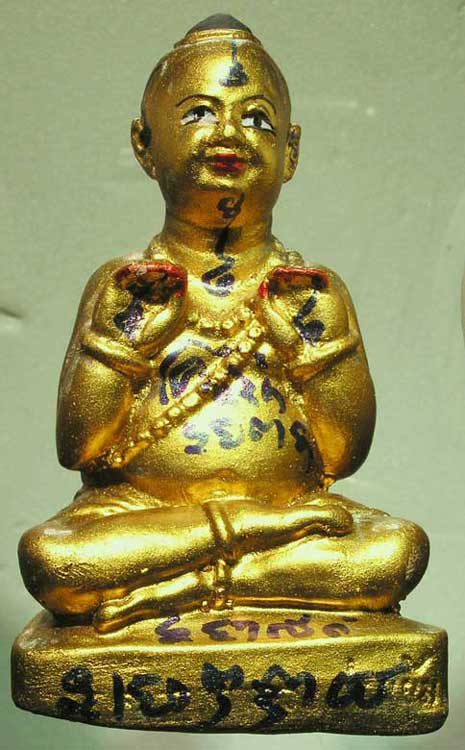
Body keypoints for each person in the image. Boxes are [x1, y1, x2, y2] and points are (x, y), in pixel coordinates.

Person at [19, 15, 428, 633]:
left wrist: (317, 353)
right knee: (53, 558)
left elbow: (343, 454)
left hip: (293, 513)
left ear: (290, 151)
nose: (230, 133)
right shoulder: (126, 286)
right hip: (139, 514)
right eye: (199, 114)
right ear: (144, 145)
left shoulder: (312, 290)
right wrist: (120, 347)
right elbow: (80, 447)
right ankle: (248, 547)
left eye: (258, 118)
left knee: (396, 551)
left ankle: (194, 583)